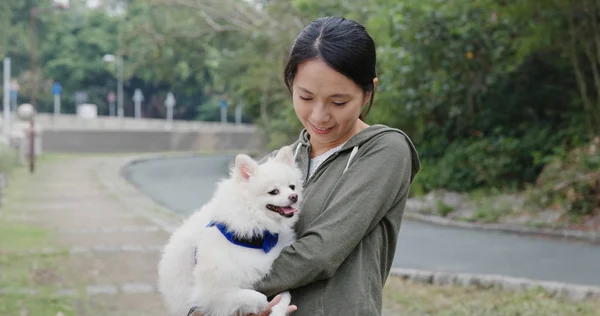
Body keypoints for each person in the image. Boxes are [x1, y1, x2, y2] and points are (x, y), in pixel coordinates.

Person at [251, 16, 421, 316]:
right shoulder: (280, 163)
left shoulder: (386, 151)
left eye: (338, 102)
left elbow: (320, 253)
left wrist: (230, 286)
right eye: (305, 97)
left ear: (368, 92)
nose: (319, 116)